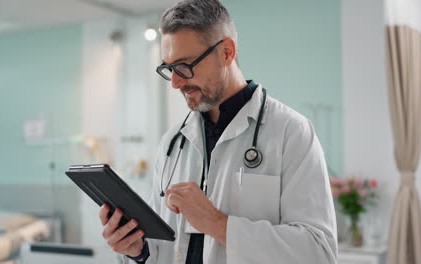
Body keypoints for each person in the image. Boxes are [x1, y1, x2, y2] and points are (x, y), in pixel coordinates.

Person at [98, 0, 337, 263]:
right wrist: (138, 250)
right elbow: (164, 250)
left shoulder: (291, 132)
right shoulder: (172, 142)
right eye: (169, 68)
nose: (176, 83)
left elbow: (319, 252)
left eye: (185, 66)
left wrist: (216, 223)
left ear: (226, 52)